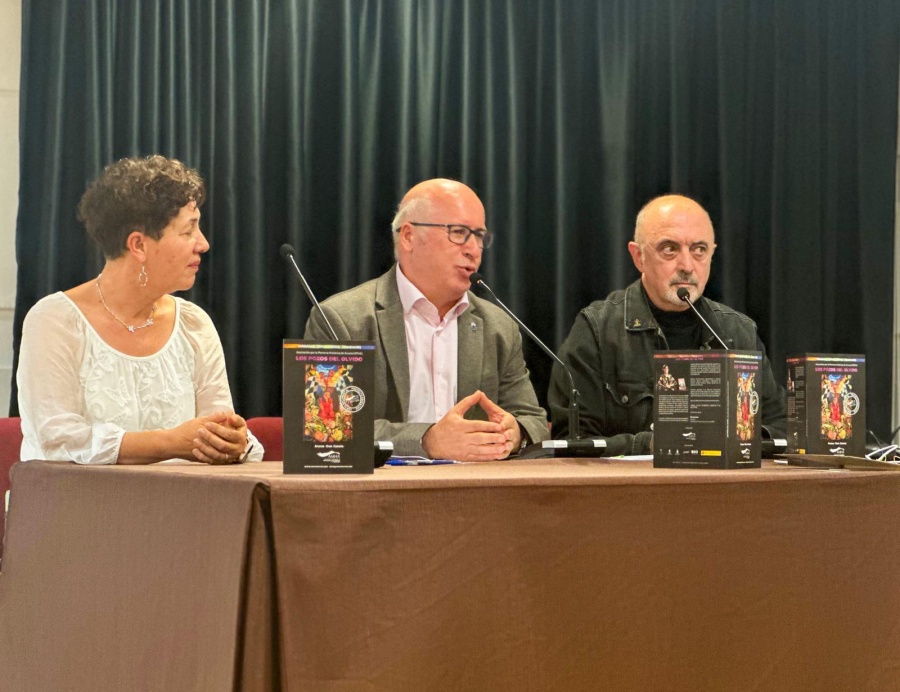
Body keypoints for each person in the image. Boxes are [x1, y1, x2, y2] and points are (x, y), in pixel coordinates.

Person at [17, 155, 263, 465]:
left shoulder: (194, 324)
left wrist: (231, 442)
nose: (203, 244)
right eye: (188, 231)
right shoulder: (54, 321)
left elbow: (217, 429)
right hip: (75, 497)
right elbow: (58, 440)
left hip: (184, 496)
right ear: (139, 245)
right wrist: (170, 443)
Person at [304, 178, 549, 461]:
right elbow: (325, 431)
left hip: (476, 484)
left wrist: (514, 432)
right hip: (383, 486)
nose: (473, 249)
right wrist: (426, 440)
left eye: (479, 236)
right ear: (409, 236)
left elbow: (533, 421)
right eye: (459, 232)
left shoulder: (498, 326)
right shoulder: (341, 319)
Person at [548, 194, 787, 452]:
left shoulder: (737, 332)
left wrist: (741, 439)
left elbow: (781, 427)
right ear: (639, 256)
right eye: (670, 249)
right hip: (632, 479)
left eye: (699, 250)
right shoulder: (597, 330)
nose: (687, 266)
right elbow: (573, 441)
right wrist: (653, 445)